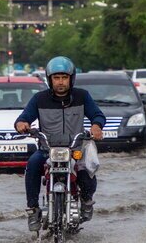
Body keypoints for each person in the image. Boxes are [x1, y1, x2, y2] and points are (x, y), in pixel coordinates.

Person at [14, 56, 105, 231]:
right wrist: (22, 124)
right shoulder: (39, 99)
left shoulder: (82, 96)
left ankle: (87, 201)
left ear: (71, 78)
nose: (61, 82)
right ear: (50, 79)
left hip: (75, 149)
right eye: (56, 78)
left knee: (88, 169)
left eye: (64, 77)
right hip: (47, 150)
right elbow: (24, 118)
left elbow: (98, 115)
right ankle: (33, 209)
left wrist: (96, 126)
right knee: (32, 164)